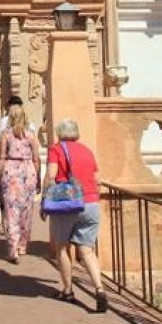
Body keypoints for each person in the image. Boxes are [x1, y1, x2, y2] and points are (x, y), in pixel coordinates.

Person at [43, 118, 108, 312]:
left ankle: (68, 290)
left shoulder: (56, 149)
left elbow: (51, 175)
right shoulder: (87, 151)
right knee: (87, 250)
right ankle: (99, 288)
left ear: (59, 133)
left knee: (63, 247)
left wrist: (46, 197)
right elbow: (98, 178)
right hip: (91, 203)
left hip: (68, 205)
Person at [0, 102, 40, 263]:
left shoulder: (6, 134)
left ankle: (13, 249)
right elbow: (36, 158)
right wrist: (37, 177)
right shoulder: (31, 134)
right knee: (26, 210)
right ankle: (22, 246)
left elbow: (1, 156)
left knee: (11, 211)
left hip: (10, 171)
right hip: (28, 170)